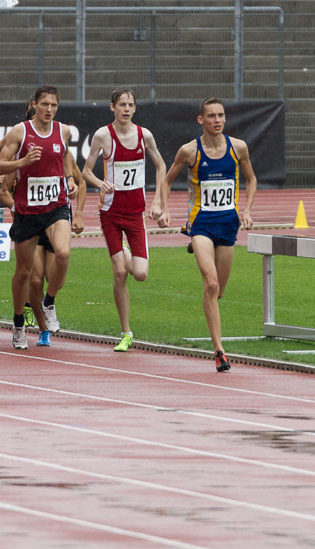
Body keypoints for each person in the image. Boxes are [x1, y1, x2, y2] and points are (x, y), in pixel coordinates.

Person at [163, 97, 256, 372]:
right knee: (211, 285)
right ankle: (219, 351)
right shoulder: (189, 151)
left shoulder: (238, 148)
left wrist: (247, 210)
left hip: (228, 225)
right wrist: (163, 206)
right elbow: (167, 180)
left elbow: (251, 178)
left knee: (218, 292)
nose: (217, 120)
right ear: (200, 120)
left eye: (221, 115)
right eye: (212, 116)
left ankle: (199, 249)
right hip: (201, 224)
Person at [0, 85, 84, 349]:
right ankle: (19, 322)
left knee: (64, 254)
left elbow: (65, 157)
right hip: (27, 210)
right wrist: (22, 163)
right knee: (24, 274)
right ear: (34, 104)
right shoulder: (20, 132)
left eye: (54, 105)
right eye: (44, 104)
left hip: (56, 206)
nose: (49, 110)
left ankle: (49, 302)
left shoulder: (63, 130)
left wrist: (69, 179)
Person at [82, 88, 168, 352]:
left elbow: (161, 165)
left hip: (135, 214)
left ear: (135, 108)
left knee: (140, 274)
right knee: (120, 272)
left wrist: (157, 202)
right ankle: (126, 332)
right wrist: (100, 183)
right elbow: (86, 171)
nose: (126, 109)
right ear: (112, 107)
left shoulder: (145, 136)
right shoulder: (102, 135)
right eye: (122, 104)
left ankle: (126, 252)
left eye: (130, 105)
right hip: (109, 213)